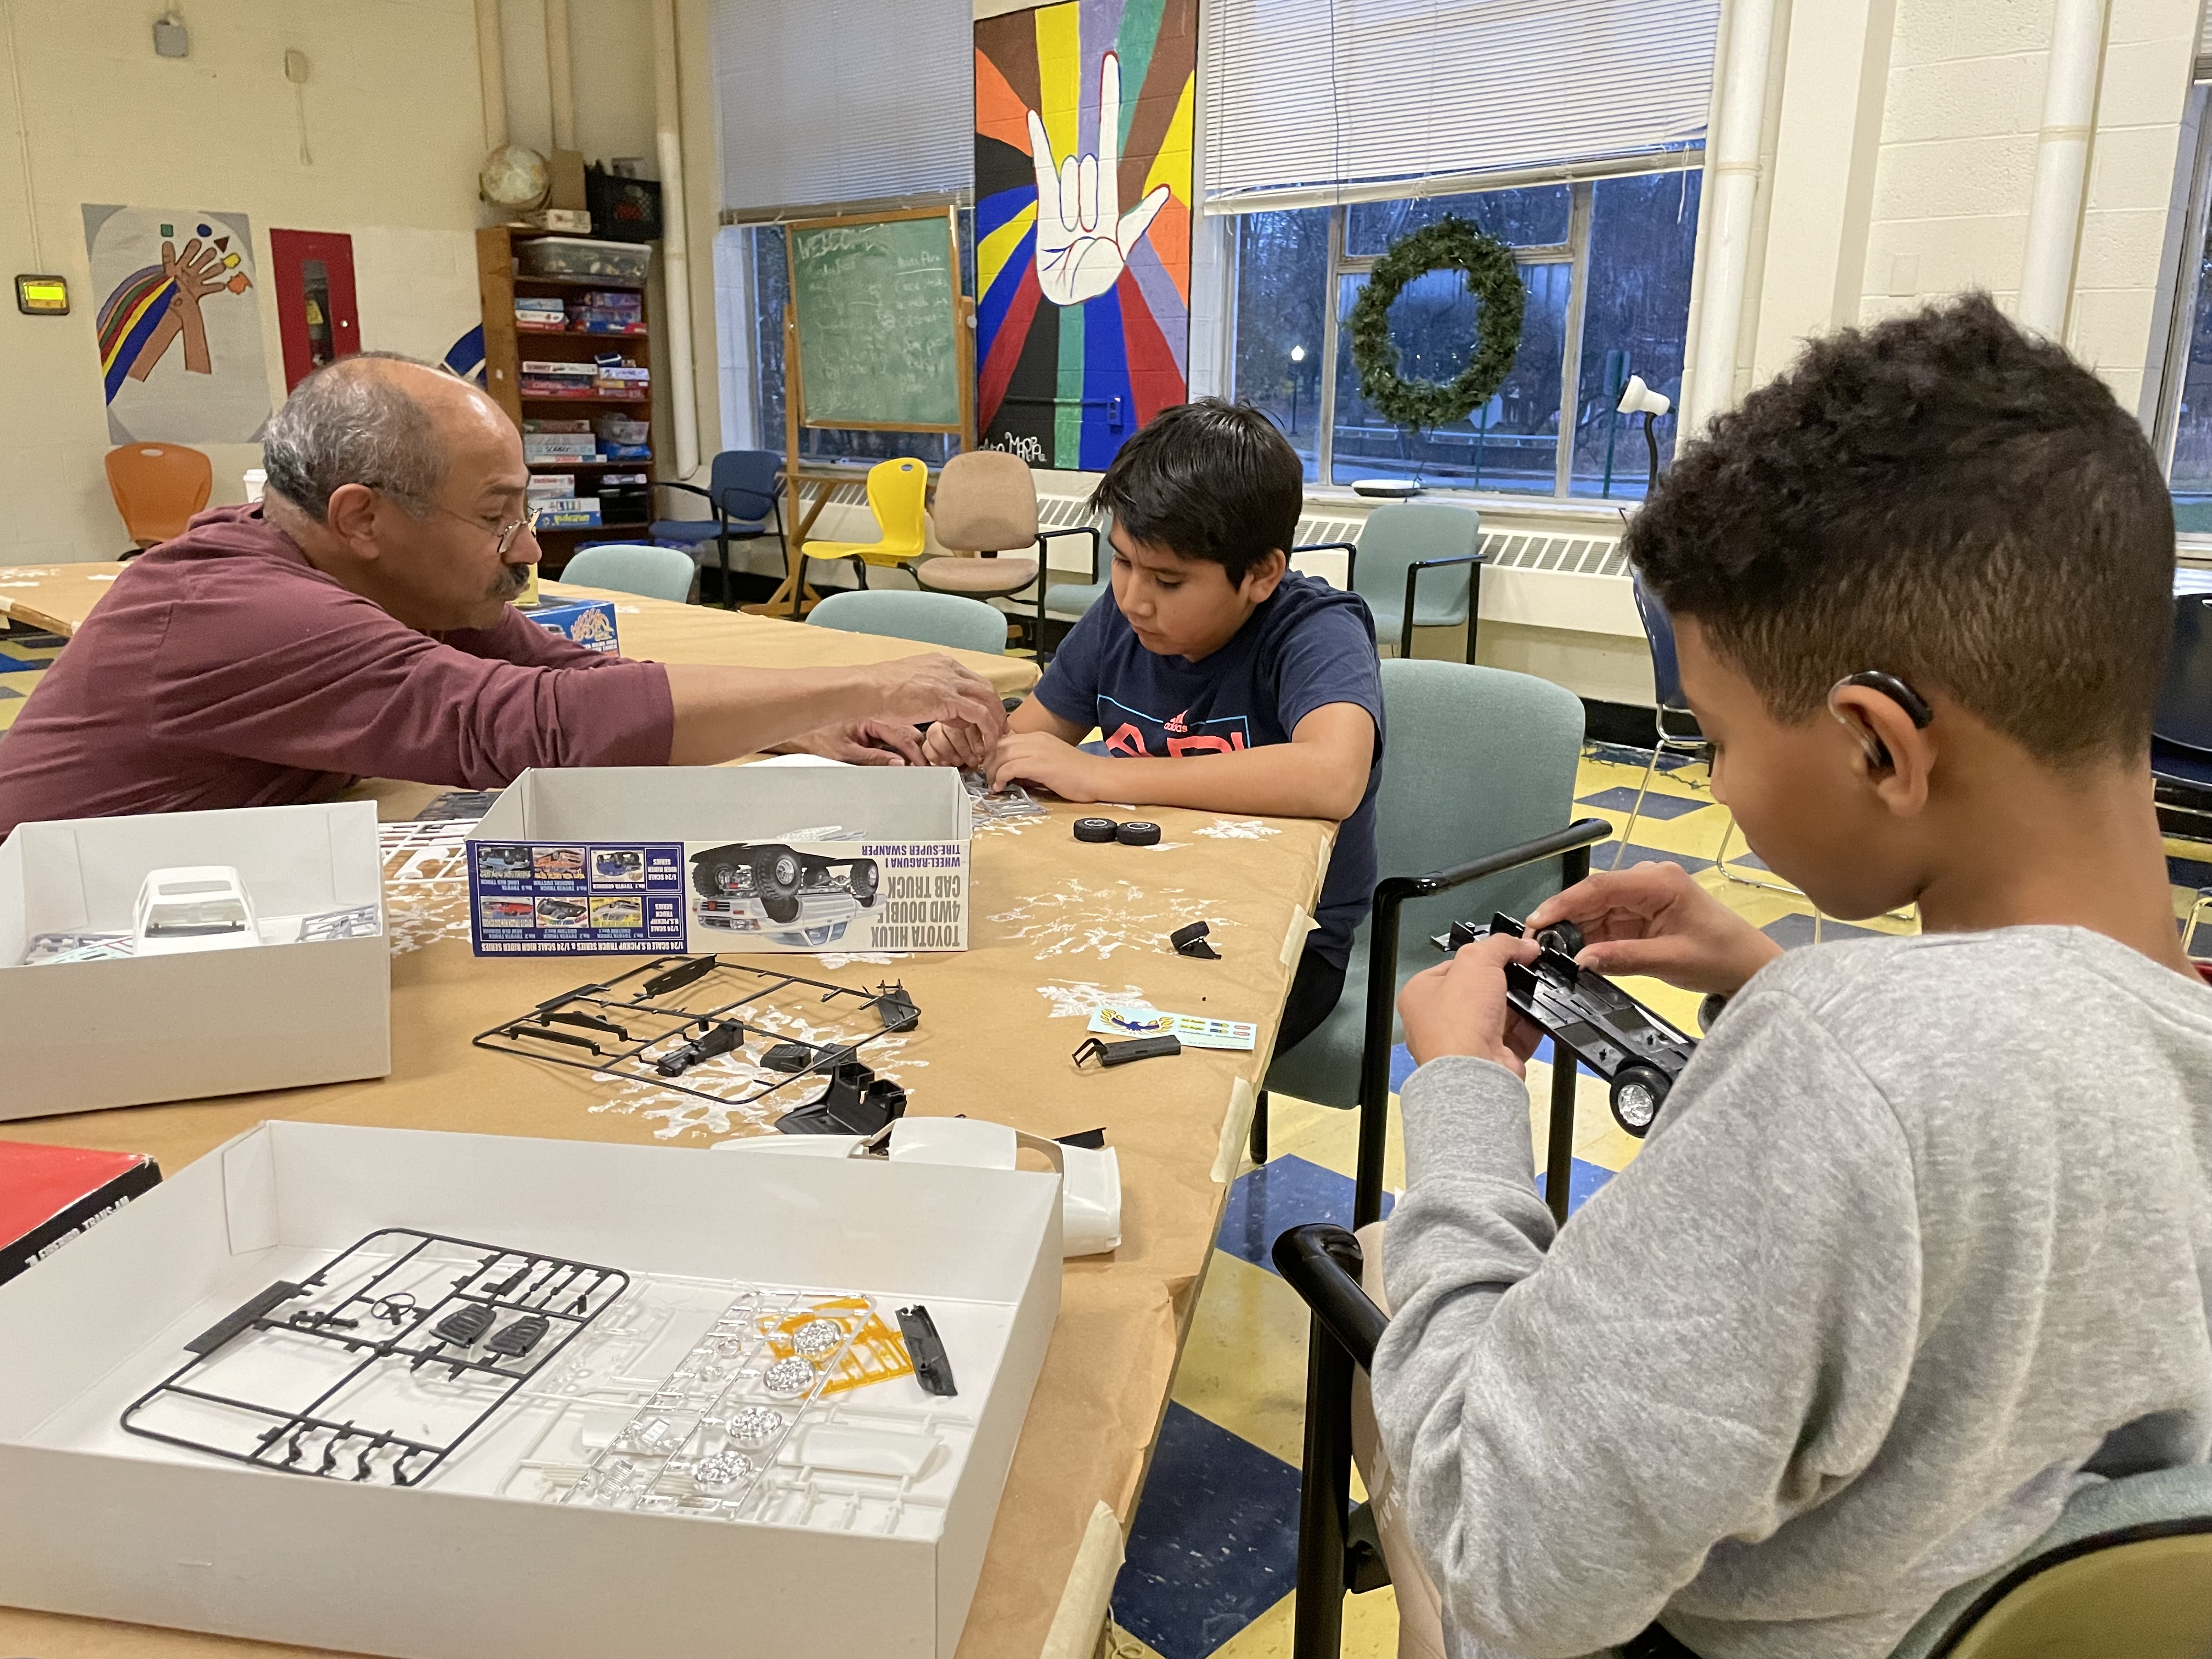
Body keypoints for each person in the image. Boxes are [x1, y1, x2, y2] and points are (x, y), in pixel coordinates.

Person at [1368, 294, 2212, 1659]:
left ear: (1879, 746)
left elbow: (1510, 1560)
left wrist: (1464, 1095)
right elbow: (2019, 1106)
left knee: (1386, 1292)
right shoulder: (2167, 1033)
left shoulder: (1848, 1064)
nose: (1716, 781)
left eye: (1711, 736)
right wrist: (1764, 973)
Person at [0, 354, 1004, 834]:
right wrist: (848, 690)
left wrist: (789, 735)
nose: (526, 544)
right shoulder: (247, 611)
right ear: (362, 518)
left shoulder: (365, 579)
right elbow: (520, 725)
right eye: (495, 513)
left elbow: (574, 679)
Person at [935, 399, 1383, 1054]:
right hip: (1126, 909)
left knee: (1093, 1057)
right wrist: (973, 747)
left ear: (1261, 574)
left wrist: (1101, 775)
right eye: (1121, 562)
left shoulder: (1316, 632)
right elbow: (1028, 743)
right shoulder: (1121, 619)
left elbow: (1332, 776)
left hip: (1283, 946)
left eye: (1169, 581)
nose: (1133, 598)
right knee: (983, 1015)